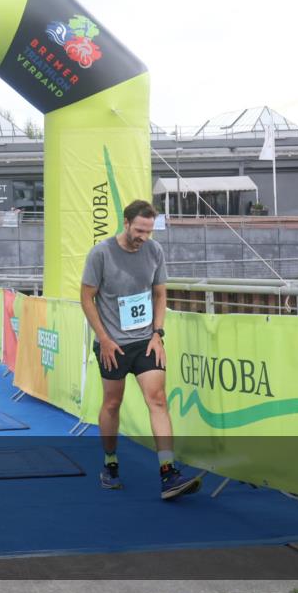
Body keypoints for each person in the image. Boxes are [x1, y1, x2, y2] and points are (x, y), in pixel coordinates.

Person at [80, 199, 201, 500]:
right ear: (126, 222)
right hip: (112, 345)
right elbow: (86, 298)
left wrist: (158, 333)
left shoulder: (154, 251)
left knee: (158, 399)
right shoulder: (101, 253)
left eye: (148, 231)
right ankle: (110, 463)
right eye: (139, 230)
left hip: (146, 340)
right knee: (112, 404)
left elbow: (160, 294)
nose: (143, 237)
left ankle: (168, 472)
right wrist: (104, 339)